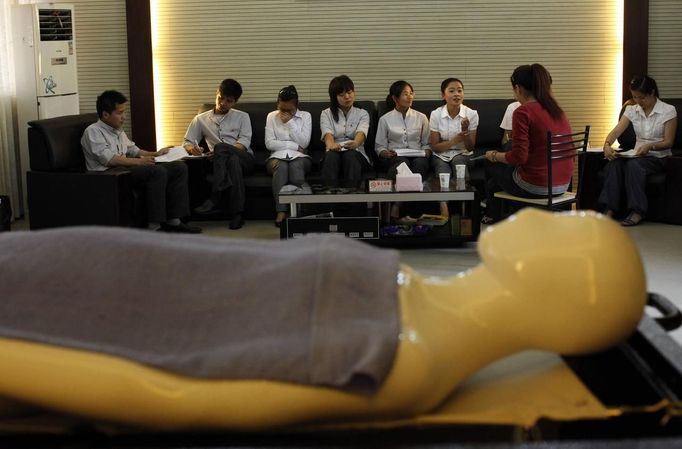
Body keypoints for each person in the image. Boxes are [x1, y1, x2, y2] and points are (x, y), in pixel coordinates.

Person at [0, 209, 646, 430]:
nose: (550, 215)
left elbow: (175, 393)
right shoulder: (421, 285)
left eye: (570, 230)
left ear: (566, 291)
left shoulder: (409, 358)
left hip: (88, 314)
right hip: (110, 260)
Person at [81, 90, 201, 233]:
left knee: (179, 167)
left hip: (124, 170)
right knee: (156, 171)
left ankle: (174, 221)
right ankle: (154, 226)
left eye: (124, 112)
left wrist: (156, 153)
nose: (124, 117)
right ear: (105, 114)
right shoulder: (93, 131)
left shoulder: (117, 130)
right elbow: (110, 160)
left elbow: (134, 150)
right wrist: (140, 162)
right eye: (119, 113)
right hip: (108, 175)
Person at [482, 64, 572, 224]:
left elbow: (519, 157)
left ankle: (495, 216)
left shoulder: (523, 112)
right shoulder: (557, 110)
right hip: (563, 184)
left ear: (518, 88)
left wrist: (494, 155)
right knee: (493, 183)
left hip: (536, 186)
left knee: (489, 164)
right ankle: (504, 215)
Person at [599, 75, 678, 226]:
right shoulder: (631, 109)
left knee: (634, 166)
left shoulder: (668, 110)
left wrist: (651, 146)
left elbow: (669, 142)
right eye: (634, 97)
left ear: (652, 93)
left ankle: (637, 211)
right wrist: (607, 145)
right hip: (636, 155)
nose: (638, 102)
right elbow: (616, 132)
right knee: (614, 164)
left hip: (658, 156)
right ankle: (608, 209)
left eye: (641, 98)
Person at [183, 79, 254, 230]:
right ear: (217, 93)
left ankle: (215, 195)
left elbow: (243, 143)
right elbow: (187, 142)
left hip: (245, 158)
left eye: (229, 101)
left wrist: (221, 151)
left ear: (235, 102)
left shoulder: (243, 116)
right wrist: (192, 149)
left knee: (224, 149)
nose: (223, 103)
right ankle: (237, 214)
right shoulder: (201, 119)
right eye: (220, 98)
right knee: (232, 162)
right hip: (222, 162)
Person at [375, 80, 431, 221]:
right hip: (395, 156)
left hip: (418, 155)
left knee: (420, 164)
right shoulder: (385, 119)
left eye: (411, 93)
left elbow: (427, 143)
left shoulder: (421, 117)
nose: (410, 97)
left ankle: (401, 207)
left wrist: (427, 151)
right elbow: (379, 146)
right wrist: (384, 152)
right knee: (402, 164)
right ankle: (394, 208)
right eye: (405, 94)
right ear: (395, 98)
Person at [429, 77, 478, 216]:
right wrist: (455, 140)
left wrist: (466, 132)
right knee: (442, 168)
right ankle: (443, 205)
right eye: (451, 91)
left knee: (458, 162)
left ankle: (465, 207)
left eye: (459, 90)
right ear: (443, 95)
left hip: (463, 154)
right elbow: (435, 147)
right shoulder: (436, 114)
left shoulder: (471, 114)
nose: (456, 94)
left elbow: (470, 148)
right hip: (441, 154)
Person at [265, 85, 312, 227]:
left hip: (301, 158)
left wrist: (290, 123)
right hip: (276, 158)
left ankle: (299, 211)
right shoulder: (271, 117)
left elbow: (305, 142)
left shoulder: (306, 116)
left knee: (295, 165)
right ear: (277, 104)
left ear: (296, 106)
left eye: (289, 110)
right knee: (282, 167)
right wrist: (294, 146)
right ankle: (281, 211)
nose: (284, 113)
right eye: (281, 109)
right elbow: (269, 143)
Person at [320, 75, 373, 188]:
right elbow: (327, 134)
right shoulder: (326, 114)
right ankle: (330, 200)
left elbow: (361, 133)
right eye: (342, 95)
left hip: (357, 154)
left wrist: (356, 143)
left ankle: (352, 200)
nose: (347, 97)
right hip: (334, 152)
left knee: (350, 156)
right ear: (334, 97)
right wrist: (331, 145)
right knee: (331, 156)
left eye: (349, 92)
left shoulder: (362, 113)